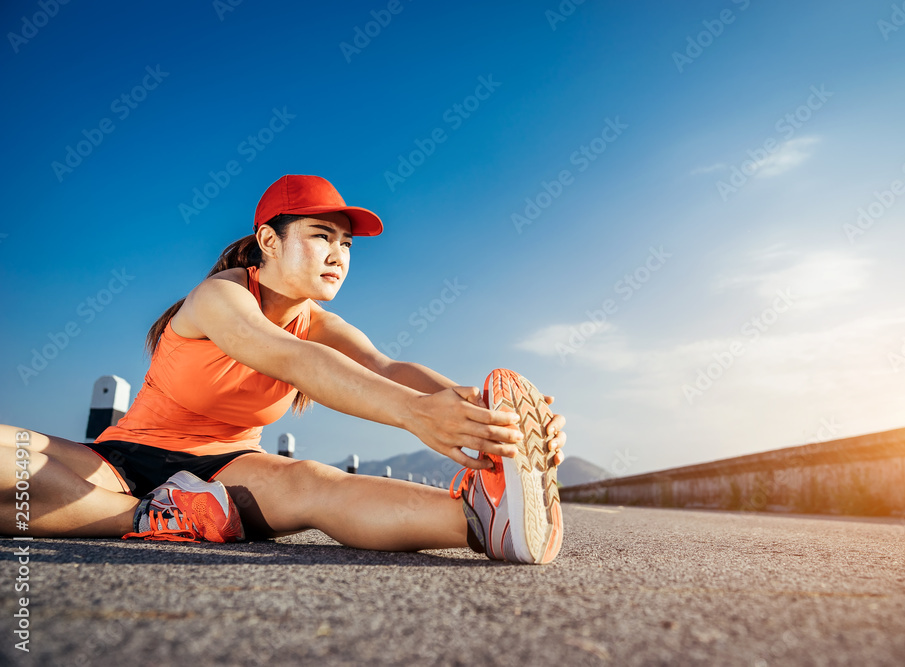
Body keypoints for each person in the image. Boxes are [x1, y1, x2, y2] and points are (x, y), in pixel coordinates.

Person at [0, 174, 566, 564]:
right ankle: (155, 517)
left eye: (345, 242)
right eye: (321, 236)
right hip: (119, 457)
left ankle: (488, 522)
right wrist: (416, 416)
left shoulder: (320, 322)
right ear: (269, 241)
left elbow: (385, 366)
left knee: (312, 485)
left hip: (227, 472)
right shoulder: (219, 297)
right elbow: (290, 357)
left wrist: (493, 416)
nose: (338, 253)